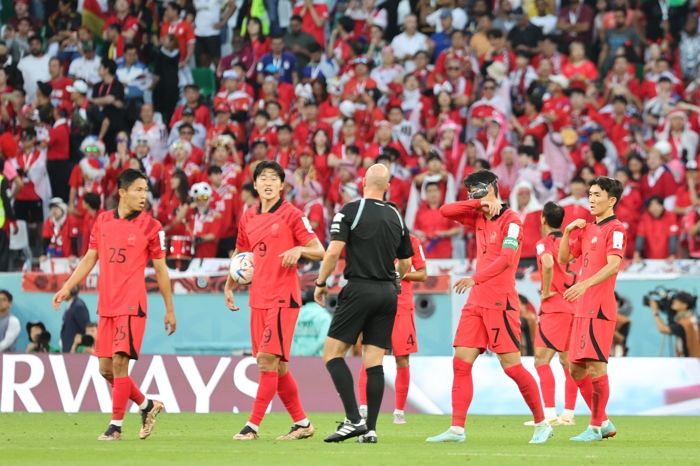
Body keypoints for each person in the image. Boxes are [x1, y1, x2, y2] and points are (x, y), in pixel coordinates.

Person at [426, 170, 552, 444]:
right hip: (476, 303)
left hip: (499, 303)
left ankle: (542, 423)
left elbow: (507, 259)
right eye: (469, 191)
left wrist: (475, 278)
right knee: (460, 363)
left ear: (490, 188)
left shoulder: (513, 221)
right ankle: (457, 429)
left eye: (475, 190)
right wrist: (478, 205)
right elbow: (446, 211)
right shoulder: (479, 215)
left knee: (512, 367)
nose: (470, 194)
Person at [52, 169, 177, 441]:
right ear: (122, 192)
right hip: (106, 306)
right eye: (138, 190)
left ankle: (115, 426)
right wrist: (67, 286)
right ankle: (147, 405)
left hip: (132, 305)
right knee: (105, 370)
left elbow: (161, 270)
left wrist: (169, 308)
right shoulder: (102, 221)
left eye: (146, 190)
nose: (144, 196)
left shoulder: (152, 226)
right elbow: (89, 259)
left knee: (121, 364)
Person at [224, 160, 325, 441]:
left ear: (282, 185)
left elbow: (320, 249)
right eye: (262, 178)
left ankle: (252, 426)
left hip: (284, 298)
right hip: (258, 299)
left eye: (273, 178)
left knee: (267, 361)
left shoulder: (292, 215)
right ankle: (302, 423)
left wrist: (298, 249)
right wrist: (230, 282)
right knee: (277, 368)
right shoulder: (248, 217)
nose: (268, 183)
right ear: (255, 184)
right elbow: (242, 254)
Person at [315, 163, 414, 444]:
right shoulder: (396, 215)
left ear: (363, 182)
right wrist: (395, 277)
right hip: (387, 293)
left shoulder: (350, 210)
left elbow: (333, 251)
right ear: (387, 188)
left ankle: (353, 420)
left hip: (359, 288)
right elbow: (406, 262)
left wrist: (321, 283)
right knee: (374, 362)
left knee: (332, 354)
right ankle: (370, 429)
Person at [559, 176, 625, 442]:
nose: (591, 199)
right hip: (582, 308)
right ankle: (605, 422)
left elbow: (613, 265)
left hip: (599, 307)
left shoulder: (616, 229)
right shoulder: (586, 229)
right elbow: (564, 258)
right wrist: (566, 233)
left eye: (598, 195)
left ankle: (595, 426)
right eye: (590, 194)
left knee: (597, 369)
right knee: (575, 368)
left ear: (612, 200)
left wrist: (584, 284)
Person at [357, 230, 427, 424]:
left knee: (402, 359)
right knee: (370, 356)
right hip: (376, 305)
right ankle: (363, 406)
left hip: (402, 308)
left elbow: (422, 274)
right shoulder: (373, 238)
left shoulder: (412, 241)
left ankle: (399, 411)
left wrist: (399, 275)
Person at [531, 202, 579, 426]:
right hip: (574, 306)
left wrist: (547, 290)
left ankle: (548, 414)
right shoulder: (571, 242)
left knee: (541, 360)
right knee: (568, 362)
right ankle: (568, 414)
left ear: (543, 219)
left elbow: (548, 263)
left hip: (555, 308)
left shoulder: (544, 243)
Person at [649, 292, 700, 357]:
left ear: (684, 305)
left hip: (691, 362)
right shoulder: (692, 319)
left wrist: (655, 312)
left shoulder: (685, 323)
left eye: (677, 300)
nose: (673, 302)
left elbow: (663, 329)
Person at [58, 286, 91, 353]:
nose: (61, 292)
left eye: (63, 289)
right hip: (68, 348)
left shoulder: (78, 306)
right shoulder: (71, 305)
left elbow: (85, 328)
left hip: (75, 350)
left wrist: (76, 346)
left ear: (71, 290)